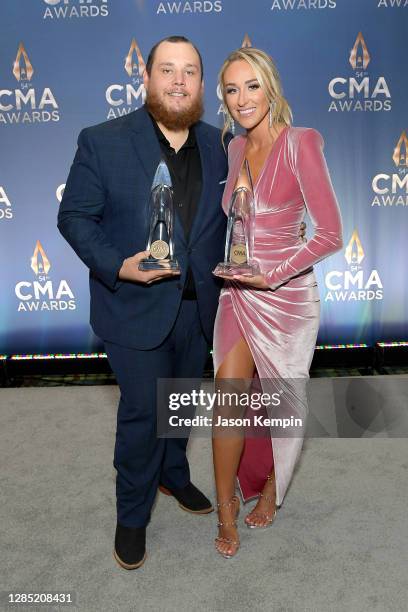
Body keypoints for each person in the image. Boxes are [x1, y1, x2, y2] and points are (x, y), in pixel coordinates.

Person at [57, 36, 231, 570]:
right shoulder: (102, 140)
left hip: (200, 309)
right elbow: (74, 219)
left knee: (179, 406)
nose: (178, 81)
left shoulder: (225, 145)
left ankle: (173, 474)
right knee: (141, 415)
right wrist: (117, 265)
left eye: (190, 72)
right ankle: (132, 516)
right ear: (146, 78)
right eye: (167, 70)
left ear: (202, 85)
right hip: (132, 307)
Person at [212, 47, 343, 558]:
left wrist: (275, 274)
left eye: (251, 86)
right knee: (230, 393)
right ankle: (226, 511)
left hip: (287, 298)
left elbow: (330, 234)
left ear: (270, 87)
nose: (242, 98)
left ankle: (270, 487)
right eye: (230, 88)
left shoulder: (301, 142)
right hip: (237, 293)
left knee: (278, 402)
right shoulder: (233, 148)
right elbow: (236, 227)